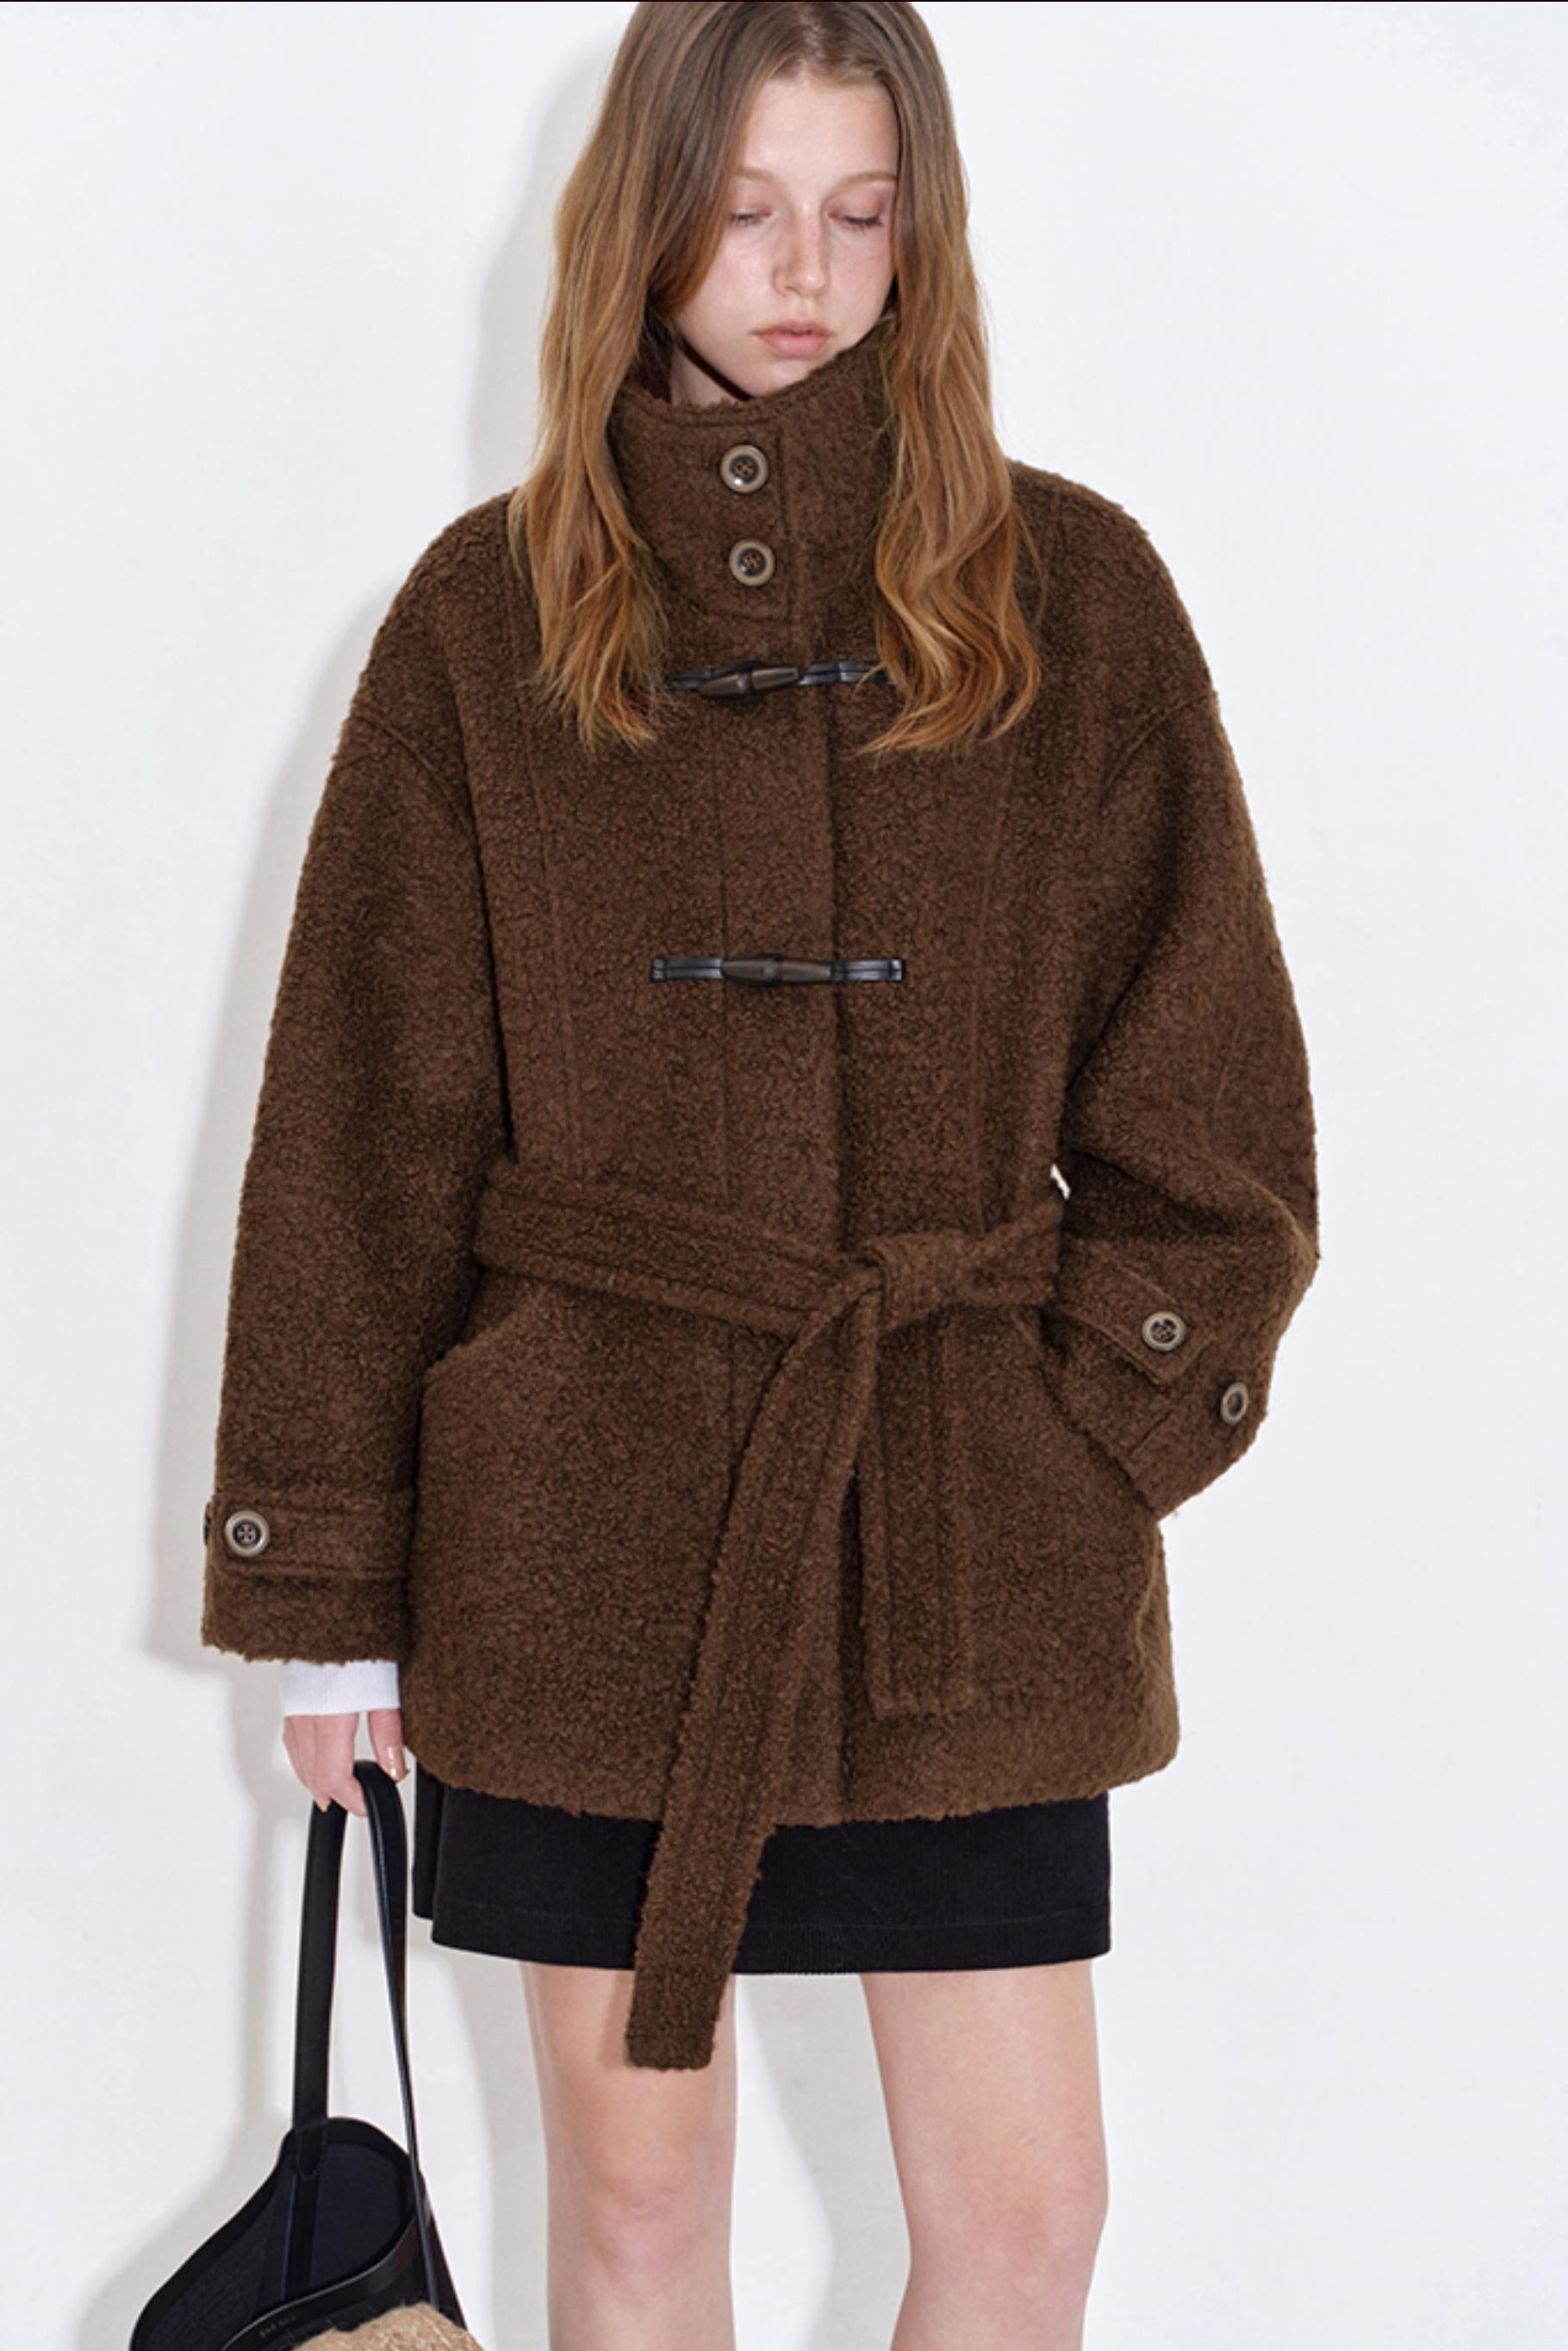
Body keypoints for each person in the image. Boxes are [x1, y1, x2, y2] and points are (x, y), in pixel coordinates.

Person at [200, 5, 1320, 2344]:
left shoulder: (1072, 594)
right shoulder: (485, 618)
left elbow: (1209, 1098)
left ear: (926, 234)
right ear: (641, 220)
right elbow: (360, 1124)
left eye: (860, 211)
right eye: (744, 208)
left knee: (1027, 2215)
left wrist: (1095, 1426)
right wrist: (333, 1587)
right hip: (581, 1539)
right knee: (631, 2209)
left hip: (966, 1548)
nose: (803, 271)